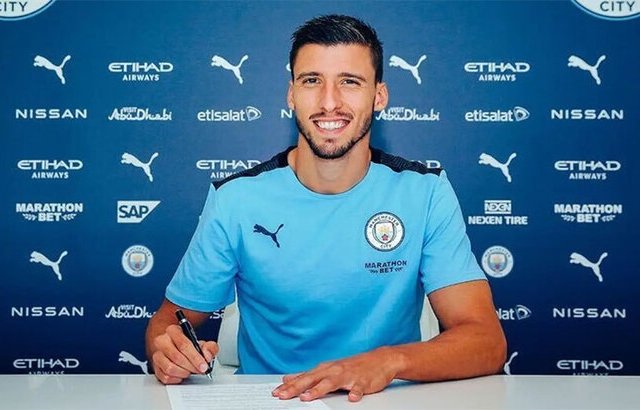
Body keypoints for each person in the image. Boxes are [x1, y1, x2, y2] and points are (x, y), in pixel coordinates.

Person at [145, 14, 506, 402]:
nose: (329, 102)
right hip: (274, 401)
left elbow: (485, 340)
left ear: (379, 96)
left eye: (349, 82)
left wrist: (386, 362)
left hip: (384, 400)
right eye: (312, 81)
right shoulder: (236, 198)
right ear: (291, 95)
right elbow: (168, 322)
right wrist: (168, 351)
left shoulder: (425, 192)